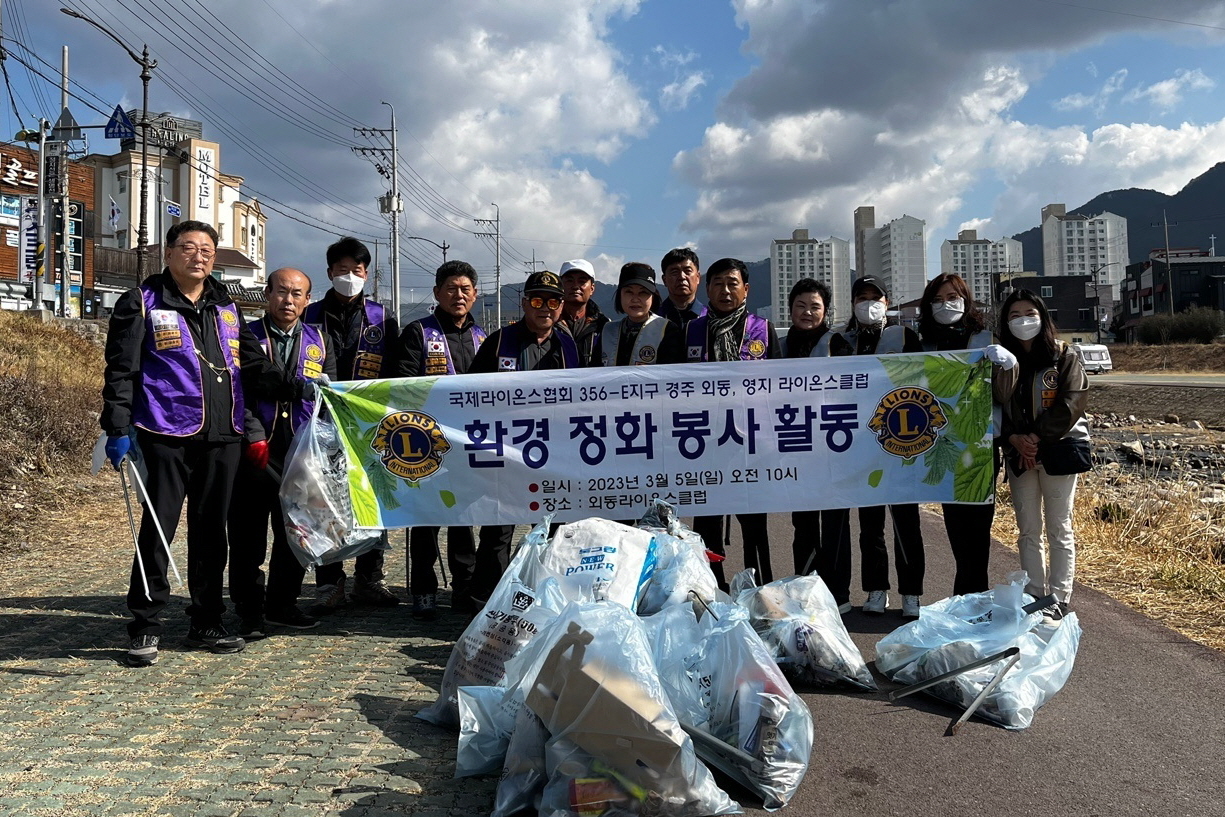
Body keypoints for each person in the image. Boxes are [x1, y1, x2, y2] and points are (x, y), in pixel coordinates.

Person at [101, 220, 306, 667]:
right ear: (169, 253)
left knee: (213, 532)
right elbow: (121, 371)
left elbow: (251, 365)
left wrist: (299, 387)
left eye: (208, 250)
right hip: (165, 434)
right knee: (158, 529)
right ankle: (145, 625)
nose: (199, 256)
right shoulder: (141, 302)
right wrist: (117, 427)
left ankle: (206, 620)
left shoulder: (226, 305)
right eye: (189, 248)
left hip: (222, 436)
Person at [228, 268, 338, 638]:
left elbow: (332, 399)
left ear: (307, 299)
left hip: (303, 451)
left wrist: (325, 446)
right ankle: (247, 609)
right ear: (267, 294)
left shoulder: (319, 340)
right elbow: (235, 390)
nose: (288, 301)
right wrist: (252, 435)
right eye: (281, 292)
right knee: (248, 534)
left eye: (297, 294)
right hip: (255, 449)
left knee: (296, 532)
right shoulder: (247, 336)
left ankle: (282, 604)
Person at [467, 271, 581, 606]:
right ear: (524, 303)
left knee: (554, 530)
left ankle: (548, 600)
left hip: (554, 454)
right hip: (507, 453)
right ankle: (487, 601)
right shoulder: (499, 342)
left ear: (561, 306)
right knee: (498, 531)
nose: (545, 308)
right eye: (537, 300)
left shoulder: (567, 346)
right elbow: (470, 393)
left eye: (553, 301)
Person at [303, 236, 401, 609]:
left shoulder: (382, 317)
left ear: (366, 274)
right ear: (329, 273)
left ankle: (369, 578)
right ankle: (329, 582)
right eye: (341, 270)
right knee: (323, 500)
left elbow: (394, 373)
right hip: (318, 420)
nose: (349, 277)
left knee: (371, 498)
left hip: (367, 424)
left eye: (356, 271)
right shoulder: (309, 314)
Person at [827, 275, 925, 619]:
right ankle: (876, 589)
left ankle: (911, 592)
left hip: (901, 440)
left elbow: (929, 375)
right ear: (852, 303)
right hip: (858, 444)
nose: (869, 303)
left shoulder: (906, 336)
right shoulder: (839, 339)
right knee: (870, 524)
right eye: (862, 297)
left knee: (906, 522)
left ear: (887, 301)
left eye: (875, 297)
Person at [395, 260, 486, 619]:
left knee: (465, 519)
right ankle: (423, 589)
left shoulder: (484, 337)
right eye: (451, 288)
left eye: (465, 289)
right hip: (426, 443)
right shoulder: (418, 332)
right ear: (437, 293)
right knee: (426, 520)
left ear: (475, 295)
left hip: (469, 444)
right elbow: (401, 383)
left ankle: (464, 589)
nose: (458, 295)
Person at [917, 273, 1017, 596]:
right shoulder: (924, 345)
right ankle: (968, 599)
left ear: (966, 300)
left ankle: (973, 598)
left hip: (981, 452)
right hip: (944, 448)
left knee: (979, 532)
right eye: (938, 299)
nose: (946, 305)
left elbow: (1003, 396)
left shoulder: (985, 339)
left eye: (953, 297)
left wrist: (1007, 367)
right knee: (957, 532)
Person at [685, 258, 780, 589]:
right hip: (705, 445)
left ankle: (761, 589)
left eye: (732, 283)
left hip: (752, 446)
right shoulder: (691, 331)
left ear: (746, 289)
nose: (725, 291)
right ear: (707, 288)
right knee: (707, 525)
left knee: (755, 525)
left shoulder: (763, 330)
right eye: (718, 283)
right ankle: (711, 588)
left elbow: (781, 388)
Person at [996, 289, 1089, 620]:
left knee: (1059, 525)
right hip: (1019, 453)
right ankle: (1034, 592)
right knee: (1027, 527)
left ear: (1043, 317)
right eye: (1015, 315)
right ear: (1006, 322)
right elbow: (993, 406)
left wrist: (1035, 437)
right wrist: (1014, 439)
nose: (1023, 321)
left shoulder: (1064, 356)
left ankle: (1060, 595)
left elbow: (1072, 401)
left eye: (1030, 313)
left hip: (1058, 451)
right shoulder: (1000, 361)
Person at [783, 278, 853, 614]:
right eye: (801, 305)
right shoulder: (780, 345)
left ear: (825, 311)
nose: (807, 312)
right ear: (790, 308)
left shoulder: (838, 343)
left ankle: (838, 594)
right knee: (804, 522)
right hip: (797, 446)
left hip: (834, 446)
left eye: (815, 306)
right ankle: (806, 586)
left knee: (836, 522)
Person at [599, 262, 685, 367]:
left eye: (643, 292)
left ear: (653, 296)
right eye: (629, 292)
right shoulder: (608, 330)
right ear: (619, 294)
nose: (635, 299)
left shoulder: (667, 330)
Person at [557, 259, 608, 367]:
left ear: (592, 288)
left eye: (582, 281)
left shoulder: (604, 326)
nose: (575, 286)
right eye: (569, 281)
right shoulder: (549, 322)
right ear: (560, 286)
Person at [654, 247, 706, 330]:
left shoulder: (710, 318)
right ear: (665, 280)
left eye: (687, 271)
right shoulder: (652, 320)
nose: (682, 277)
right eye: (675, 272)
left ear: (698, 277)